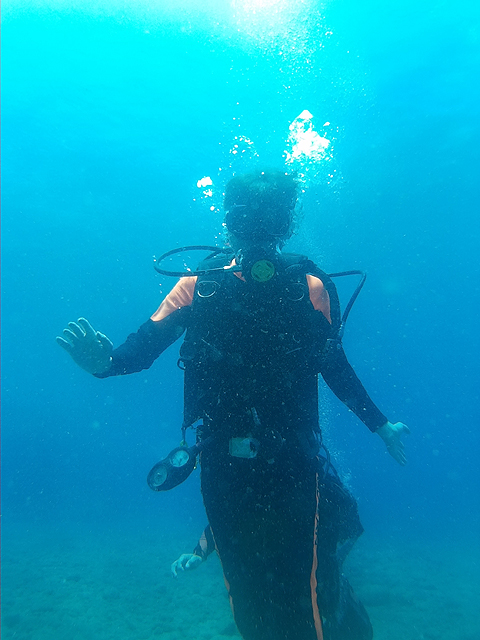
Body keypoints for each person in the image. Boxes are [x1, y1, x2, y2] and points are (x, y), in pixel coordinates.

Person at [57, 169, 409, 640]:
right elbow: (139, 351)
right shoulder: (199, 285)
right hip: (225, 462)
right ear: (231, 221)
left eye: (270, 218)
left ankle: (339, 606)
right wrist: (104, 363)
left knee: (302, 590)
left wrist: (380, 425)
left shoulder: (309, 285)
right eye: (248, 218)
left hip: (293, 460)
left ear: (284, 224)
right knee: (246, 594)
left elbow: (334, 366)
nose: (258, 229)